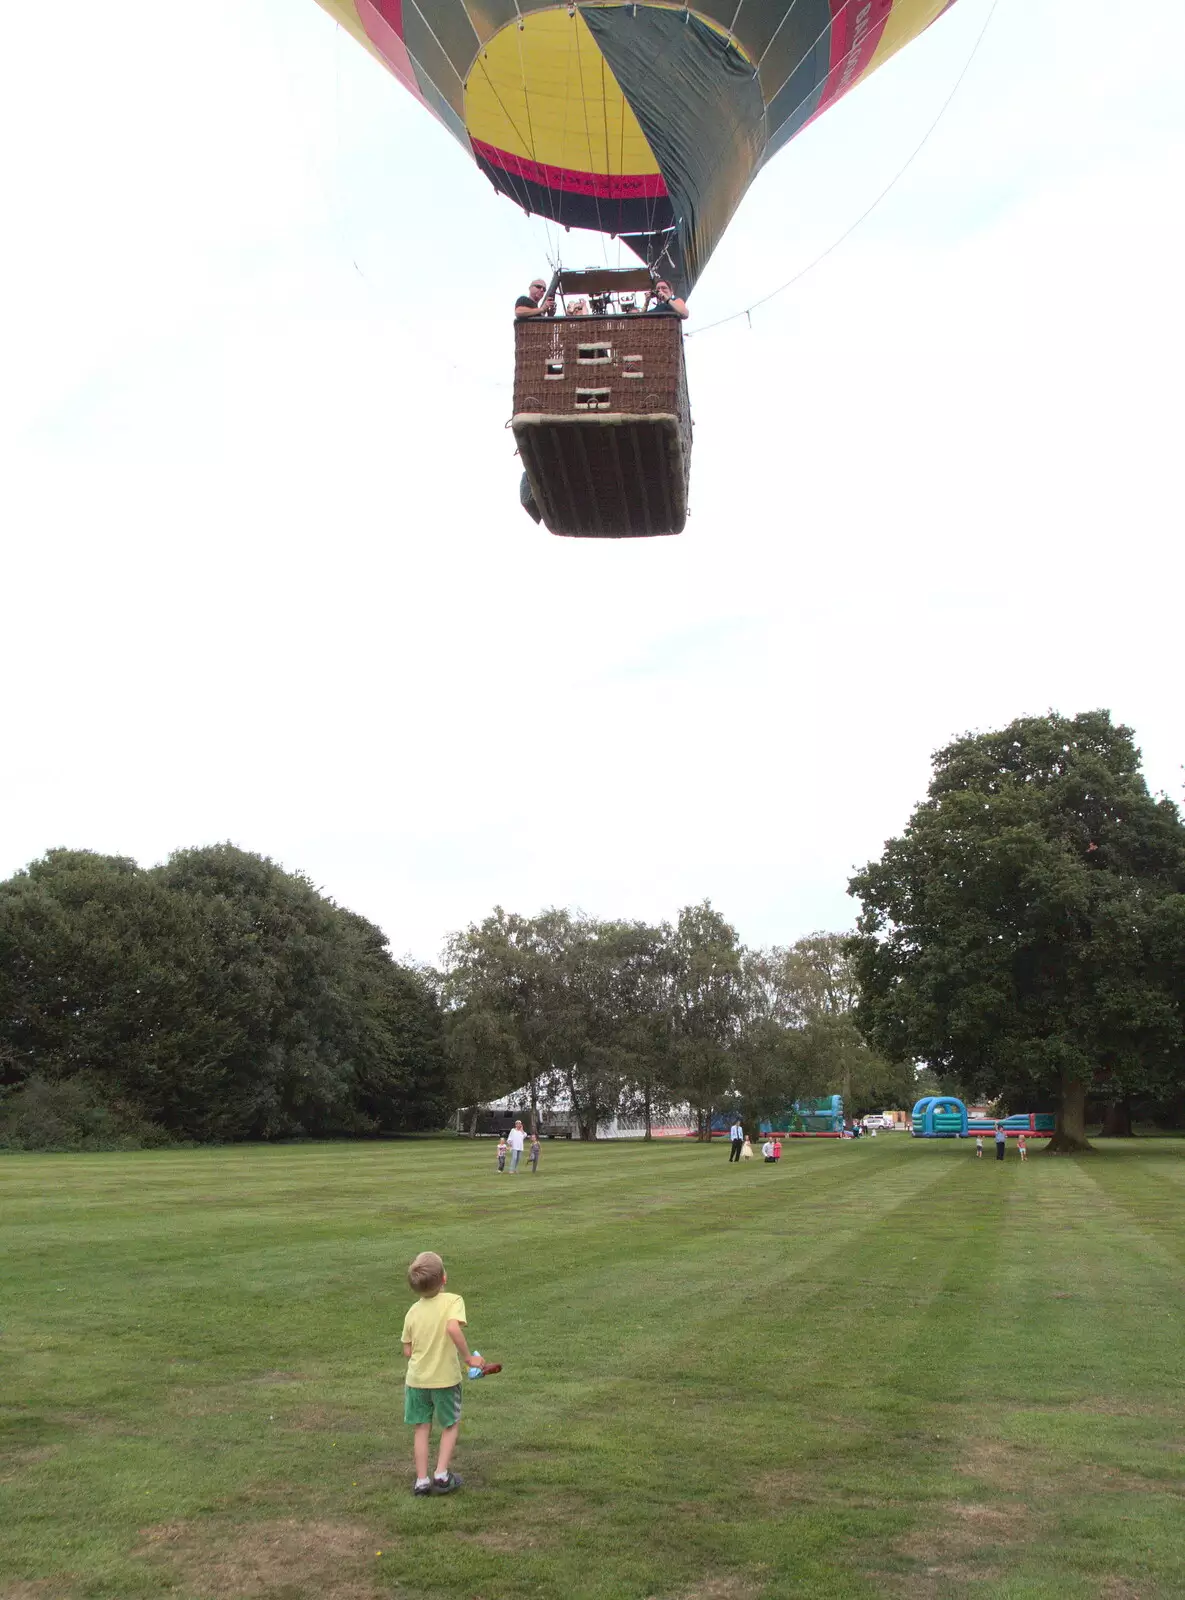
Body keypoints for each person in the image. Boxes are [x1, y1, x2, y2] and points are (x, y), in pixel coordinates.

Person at [401, 1251, 487, 1496]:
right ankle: (440, 1474)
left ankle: (421, 1481)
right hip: (446, 1380)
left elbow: (408, 1350)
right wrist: (469, 1358)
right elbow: (452, 1327)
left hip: (416, 1380)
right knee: (450, 1424)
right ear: (444, 1279)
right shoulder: (453, 1301)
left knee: (421, 1427)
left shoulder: (412, 1313)